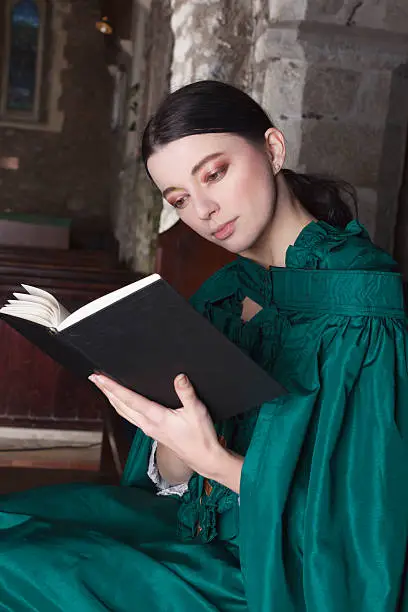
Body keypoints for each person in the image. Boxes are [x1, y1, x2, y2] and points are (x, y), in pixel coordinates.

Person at [0, 80, 407, 612]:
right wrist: (165, 437)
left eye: (215, 173)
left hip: (276, 574)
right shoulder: (223, 294)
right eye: (180, 199)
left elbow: (361, 537)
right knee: (15, 525)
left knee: (20, 571)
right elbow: (172, 471)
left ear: (273, 149)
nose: (205, 210)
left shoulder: (360, 311)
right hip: (194, 526)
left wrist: (213, 460)